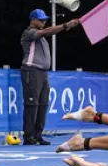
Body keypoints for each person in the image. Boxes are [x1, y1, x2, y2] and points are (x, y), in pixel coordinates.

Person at [20, 9, 81, 146]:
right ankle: (29, 136)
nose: (43, 22)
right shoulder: (28, 33)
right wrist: (65, 25)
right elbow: (46, 32)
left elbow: (46, 32)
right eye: (41, 20)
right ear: (33, 20)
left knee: (43, 104)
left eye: (45, 20)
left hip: (42, 73)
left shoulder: (40, 37)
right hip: (31, 71)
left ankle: (38, 135)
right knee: (32, 105)